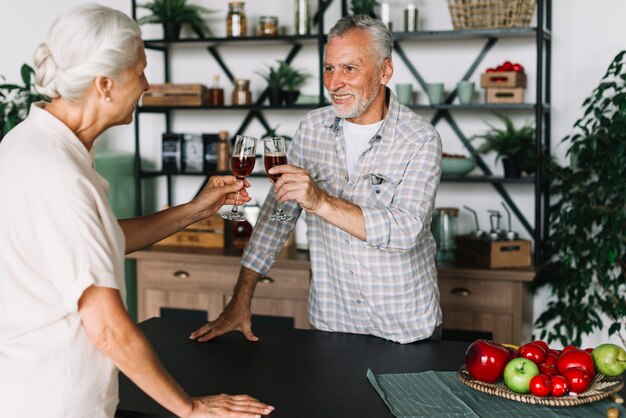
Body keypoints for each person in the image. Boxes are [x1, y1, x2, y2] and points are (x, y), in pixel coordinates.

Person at [0, 4, 274, 418]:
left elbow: (100, 242)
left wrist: (193, 211)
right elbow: (106, 325)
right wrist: (191, 408)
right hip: (54, 400)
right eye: (141, 70)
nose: (147, 84)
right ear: (105, 84)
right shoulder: (55, 172)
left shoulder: (32, 144)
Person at [191, 15, 442, 345]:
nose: (334, 83)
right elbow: (276, 217)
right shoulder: (312, 128)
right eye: (328, 68)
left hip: (407, 329)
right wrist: (241, 297)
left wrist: (321, 201)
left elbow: (406, 231)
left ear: (385, 71)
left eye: (349, 68)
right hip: (332, 323)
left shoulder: (420, 139)